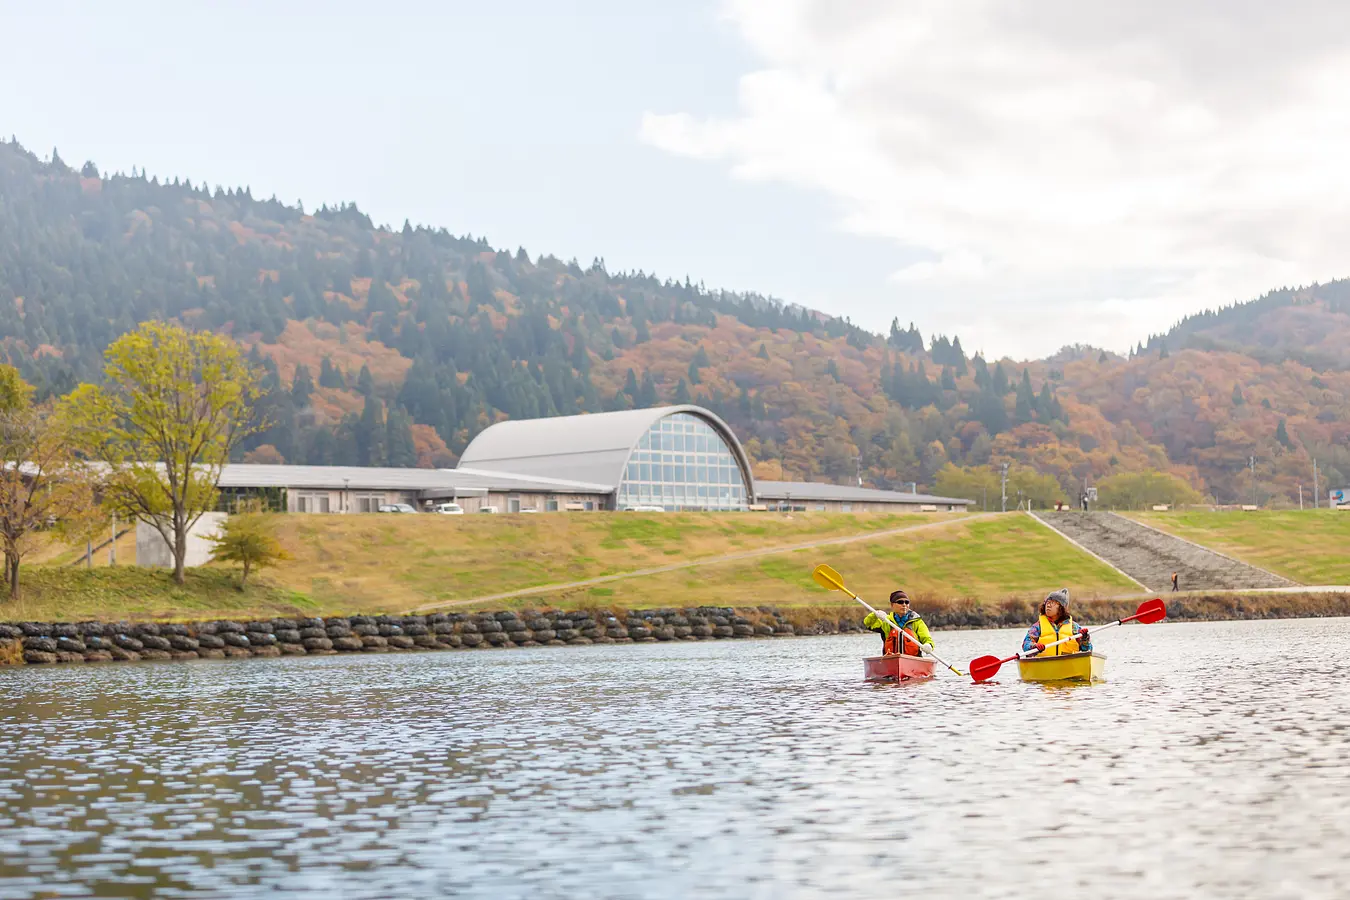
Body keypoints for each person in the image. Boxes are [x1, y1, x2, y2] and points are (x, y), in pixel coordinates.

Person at [864, 590, 934, 657]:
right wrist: (875, 614)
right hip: (890, 660)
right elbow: (868, 624)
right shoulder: (886, 621)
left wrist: (929, 645)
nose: (904, 605)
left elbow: (927, 639)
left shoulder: (917, 622)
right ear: (892, 605)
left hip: (913, 660)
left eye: (906, 602)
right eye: (900, 602)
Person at [1022, 589, 1092, 656]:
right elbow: (1026, 645)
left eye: (1053, 603)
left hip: (1069, 663)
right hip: (1044, 663)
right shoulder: (1037, 626)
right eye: (1048, 602)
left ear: (1062, 608)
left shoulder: (1074, 627)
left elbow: (1087, 649)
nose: (1048, 605)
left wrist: (1085, 639)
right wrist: (1034, 646)